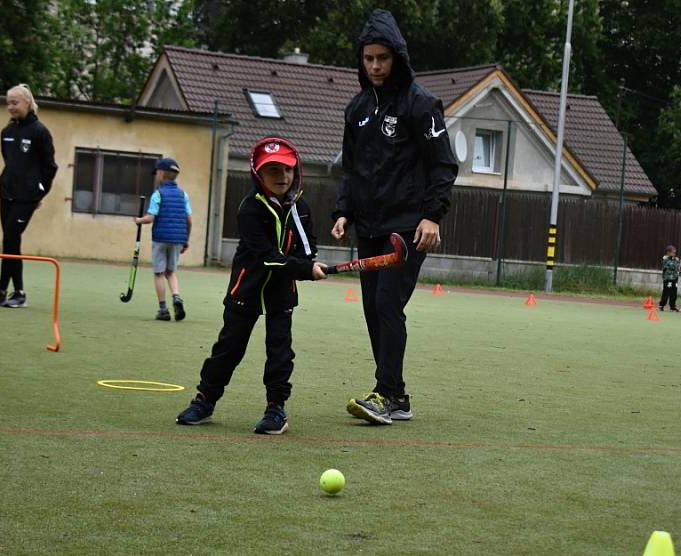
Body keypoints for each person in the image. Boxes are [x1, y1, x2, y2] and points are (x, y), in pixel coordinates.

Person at [331, 9, 458, 425]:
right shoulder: (356, 108)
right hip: (368, 225)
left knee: (388, 301)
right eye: (368, 59)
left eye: (382, 59)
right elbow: (351, 167)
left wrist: (433, 216)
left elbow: (443, 164)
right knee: (372, 307)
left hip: (408, 227)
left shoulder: (421, 105)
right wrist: (343, 211)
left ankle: (386, 394)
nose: (374, 67)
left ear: (396, 57)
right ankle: (395, 396)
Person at [176, 137, 327, 434]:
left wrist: (309, 264)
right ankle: (204, 401)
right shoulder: (249, 208)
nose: (282, 177)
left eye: (287, 169)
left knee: (280, 351)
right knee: (228, 348)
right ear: (258, 174)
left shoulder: (302, 208)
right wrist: (305, 269)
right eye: (273, 171)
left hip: (281, 293)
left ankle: (276, 409)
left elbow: (307, 250)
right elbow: (267, 257)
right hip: (246, 289)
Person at [0, 84, 57, 308]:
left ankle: (18, 292)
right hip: (6, 193)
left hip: (27, 197)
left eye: (14, 103)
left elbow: (50, 167)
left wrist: (39, 192)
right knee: (9, 238)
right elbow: (10, 161)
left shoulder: (40, 132)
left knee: (12, 235)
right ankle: (3, 291)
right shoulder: (7, 132)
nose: (10, 107)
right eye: (8, 103)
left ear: (27, 102)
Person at [135, 158, 191, 321]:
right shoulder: (183, 195)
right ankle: (176, 297)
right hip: (177, 239)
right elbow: (189, 220)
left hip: (160, 238)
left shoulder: (158, 194)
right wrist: (186, 240)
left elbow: (151, 217)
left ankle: (163, 310)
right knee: (171, 272)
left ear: (161, 174)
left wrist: (138, 220)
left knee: (159, 273)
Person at [659, 245, 680, 312]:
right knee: (666, 292)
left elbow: (677, 267)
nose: (674, 254)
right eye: (673, 252)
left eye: (675, 253)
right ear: (668, 252)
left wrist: (676, 261)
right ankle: (661, 305)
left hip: (675, 278)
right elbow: (670, 266)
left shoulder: (675, 260)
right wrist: (675, 261)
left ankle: (672, 306)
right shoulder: (665, 259)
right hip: (668, 278)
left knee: (674, 293)